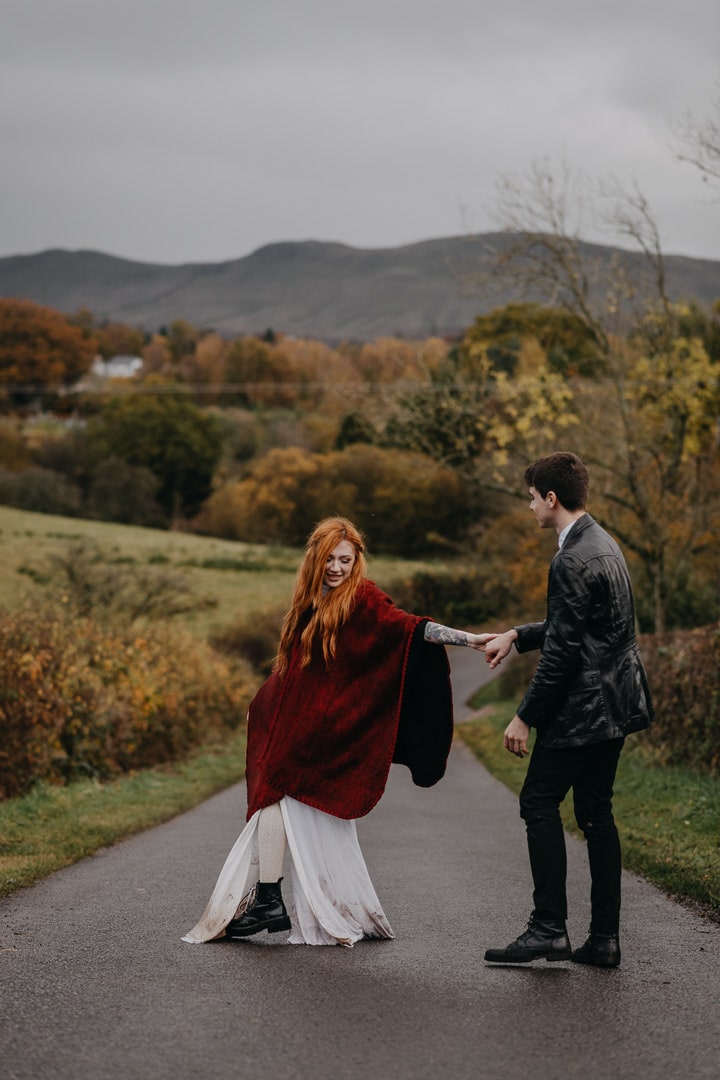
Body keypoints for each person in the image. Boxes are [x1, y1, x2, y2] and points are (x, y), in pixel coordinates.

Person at [183, 515, 490, 948]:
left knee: (273, 788)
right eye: (329, 559)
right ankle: (271, 899)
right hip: (294, 717)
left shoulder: (362, 597)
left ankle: (270, 899)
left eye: (345, 559)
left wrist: (469, 639)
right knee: (273, 794)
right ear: (315, 559)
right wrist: (263, 704)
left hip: (322, 725)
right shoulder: (309, 598)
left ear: (356, 560)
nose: (337, 568)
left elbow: (410, 628)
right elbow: (293, 667)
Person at [482, 452, 653, 968]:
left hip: (584, 708)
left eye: (532, 496)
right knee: (596, 814)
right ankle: (603, 941)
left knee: (538, 801)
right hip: (618, 704)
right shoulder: (604, 543)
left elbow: (564, 652)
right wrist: (517, 634)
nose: (530, 505)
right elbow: (576, 626)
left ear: (551, 498)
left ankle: (548, 929)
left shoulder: (570, 558)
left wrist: (524, 715)